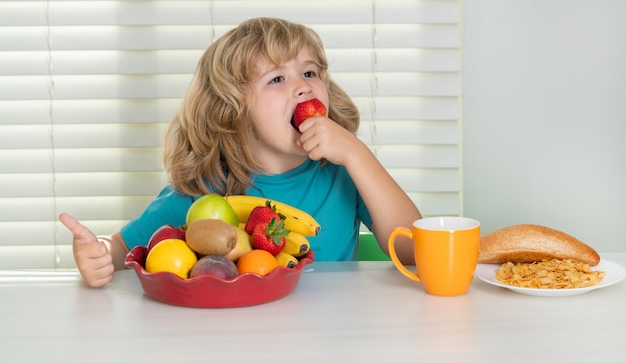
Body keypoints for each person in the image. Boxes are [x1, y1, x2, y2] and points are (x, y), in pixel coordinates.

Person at [60, 17, 422, 288]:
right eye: (277, 79)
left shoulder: (345, 173)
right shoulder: (202, 193)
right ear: (232, 110)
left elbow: (415, 252)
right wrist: (98, 254)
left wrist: (359, 156)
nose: (303, 87)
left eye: (310, 72)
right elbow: (122, 245)